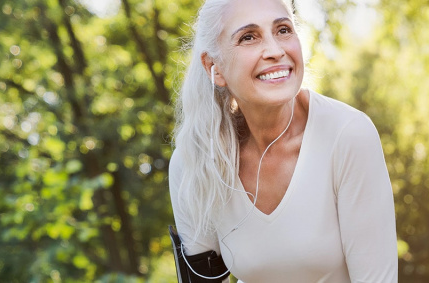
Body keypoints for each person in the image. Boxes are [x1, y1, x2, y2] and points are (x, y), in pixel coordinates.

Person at [167, 0, 398, 281]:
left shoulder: (348, 135)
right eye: (248, 37)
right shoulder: (194, 161)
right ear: (214, 67)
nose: (276, 51)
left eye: (283, 30)